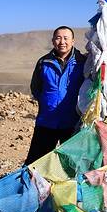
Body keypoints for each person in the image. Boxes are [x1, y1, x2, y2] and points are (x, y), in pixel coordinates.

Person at [24, 26, 86, 165]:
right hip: (47, 121)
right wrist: (48, 102)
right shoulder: (44, 62)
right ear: (53, 41)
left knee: (72, 163)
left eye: (66, 38)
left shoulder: (82, 62)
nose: (62, 42)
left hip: (73, 122)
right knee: (36, 162)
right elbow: (36, 88)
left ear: (73, 41)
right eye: (58, 38)